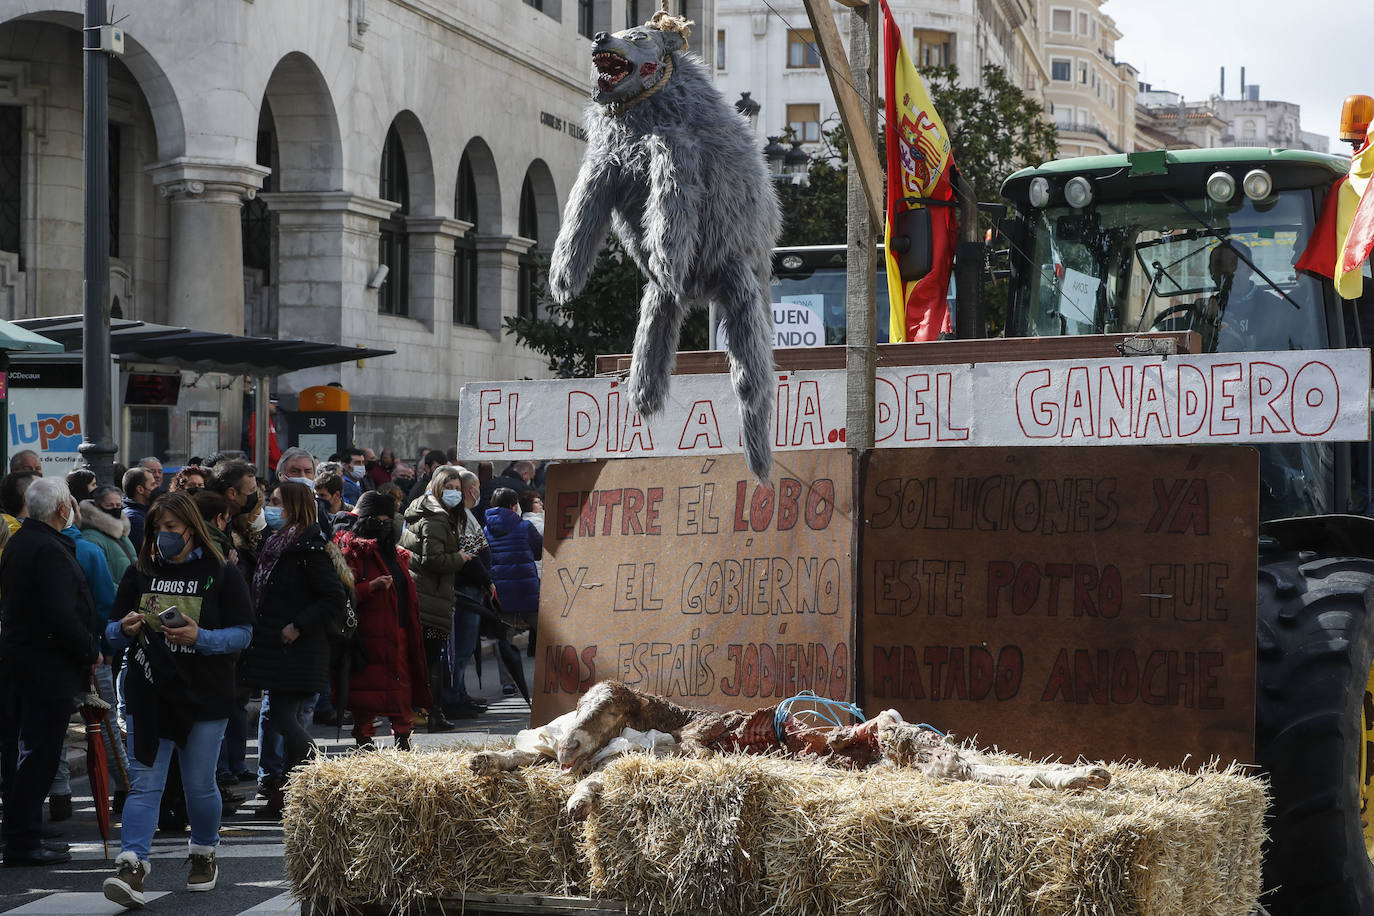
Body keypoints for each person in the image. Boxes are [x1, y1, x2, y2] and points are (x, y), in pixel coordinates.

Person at [100, 492, 253, 906]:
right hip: (149, 691)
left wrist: (200, 637)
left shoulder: (220, 572)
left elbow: (243, 633)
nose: (163, 536)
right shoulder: (139, 571)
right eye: (157, 529)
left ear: (191, 527)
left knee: (198, 784)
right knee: (144, 783)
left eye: (171, 528)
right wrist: (125, 630)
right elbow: (109, 631)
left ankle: (203, 851)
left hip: (204, 693)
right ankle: (132, 865)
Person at [0, 478, 100, 866]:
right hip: (45, 667)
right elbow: (62, 614)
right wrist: (89, 650)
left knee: (28, 754)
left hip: (24, 662)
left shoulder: (22, 541)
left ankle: (24, 833)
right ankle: (23, 840)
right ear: (62, 510)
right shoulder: (47, 548)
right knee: (38, 755)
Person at [242, 481, 345, 815]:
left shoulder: (308, 548)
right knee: (281, 717)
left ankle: (324, 779)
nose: (271, 509)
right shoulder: (279, 543)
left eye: (277, 502)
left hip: (298, 649)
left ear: (294, 506)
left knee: (284, 718)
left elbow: (333, 597)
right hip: (279, 648)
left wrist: (298, 624)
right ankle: (286, 798)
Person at [334, 492, 428, 750]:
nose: (383, 524)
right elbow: (341, 596)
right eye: (377, 519)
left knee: (402, 687)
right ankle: (364, 739)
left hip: (398, 632)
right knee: (367, 692)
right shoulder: (350, 553)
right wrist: (369, 588)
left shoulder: (395, 554)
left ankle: (403, 737)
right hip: (367, 636)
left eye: (388, 519)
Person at [399, 466, 479, 728]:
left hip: (428, 597)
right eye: (450, 488)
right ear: (437, 488)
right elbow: (432, 559)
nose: (454, 493)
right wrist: (460, 558)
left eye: (457, 488)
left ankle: (423, 711)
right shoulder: (435, 518)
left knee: (426, 658)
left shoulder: (432, 513)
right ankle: (431, 713)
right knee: (431, 659)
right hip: (429, 600)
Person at [122, 467, 155, 548]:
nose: (156, 488)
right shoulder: (134, 518)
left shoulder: (145, 511)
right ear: (140, 490)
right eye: (153, 485)